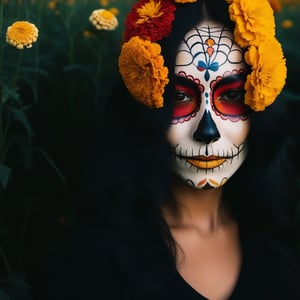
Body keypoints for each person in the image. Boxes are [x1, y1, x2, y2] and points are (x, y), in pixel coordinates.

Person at [49, 0, 300, 299]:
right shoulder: (96, 254)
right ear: (146, 106)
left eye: (231, 95)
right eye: (180, 97)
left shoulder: (283, 235)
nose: (207, 131)